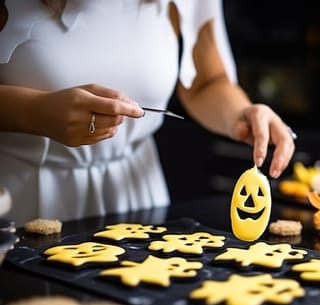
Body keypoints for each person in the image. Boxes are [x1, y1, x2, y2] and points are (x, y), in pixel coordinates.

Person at [0, 0, 296, 225]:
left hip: (139, 197)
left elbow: (206, 82)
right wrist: (33, 112)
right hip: (19, 201)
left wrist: (240, 113)